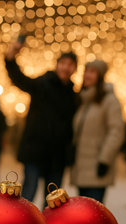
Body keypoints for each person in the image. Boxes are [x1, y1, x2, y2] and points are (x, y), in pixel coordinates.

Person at [5, 40, 78, 204]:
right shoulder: (43, 84)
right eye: (63, 63)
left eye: (70, 65)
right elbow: (20, 79)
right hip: (35, 151)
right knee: (28, 195)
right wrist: (10, 57)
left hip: (57, 156)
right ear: (57, 64)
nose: (66, 68)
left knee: (53, 201)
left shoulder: (73, 95)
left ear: (74, 69)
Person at [70, 60, 125, 203]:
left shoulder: (109, 101)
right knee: (82, 215)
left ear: (100, 76)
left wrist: (104, 160)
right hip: (81, 168)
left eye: (92, 72)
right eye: (86, 71)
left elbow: (116, 131)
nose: (87, 75)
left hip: (97, 167)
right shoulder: (83, 101)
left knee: (94, 217)